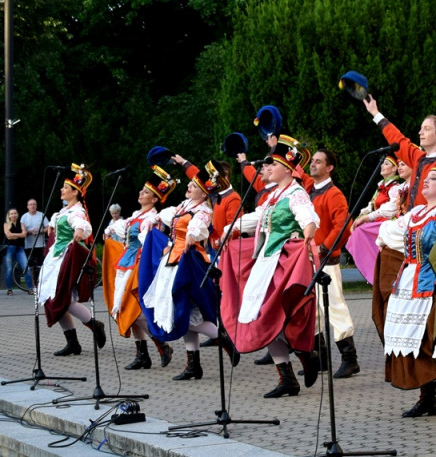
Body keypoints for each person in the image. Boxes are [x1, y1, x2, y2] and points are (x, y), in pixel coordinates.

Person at [220, 135, 322, 398]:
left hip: (284, 265)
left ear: (287, 169)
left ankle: (305, 355)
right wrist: (231, 229)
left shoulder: (296, 194)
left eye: (271, 165)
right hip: (266, 262)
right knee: (259, 316)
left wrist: (306, 235)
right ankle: (286, 376)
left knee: (279, 317)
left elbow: (309, 219)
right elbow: (258, 219)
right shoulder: (274, 195)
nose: (266, 169)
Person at [382, 152, 436, 418]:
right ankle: (427, 398)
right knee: (416, 341)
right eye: (426, 177)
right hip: (409, 282)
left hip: (434, 284)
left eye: (433, 179)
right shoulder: (417, 212)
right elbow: (390, 232)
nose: (425, 182)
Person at [138, 161, 239, 381]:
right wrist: (155, 218)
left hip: (189, 262)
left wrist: (192, 235)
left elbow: (199, 227)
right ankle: (194, 364)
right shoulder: (184, 206)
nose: (189, 187)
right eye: (191, 184)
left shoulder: (203, 210)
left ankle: (222, 337)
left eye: (194, 186)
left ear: (203, 193)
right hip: (174, 260)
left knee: (183, 311)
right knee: (183, 312)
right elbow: (169, 215)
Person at [102, 167, 176, 369]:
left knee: (133, 307)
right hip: (126, 261)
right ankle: (142, 353)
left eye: (145, 192)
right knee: (126, 307)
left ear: (153, 199)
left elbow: (147, 240)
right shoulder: (136, 215)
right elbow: (121, 226)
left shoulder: (152, 218)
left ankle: (161, 343)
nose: (140, 194)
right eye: (141, 191)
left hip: (138, 264)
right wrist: (109, 229)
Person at [38, 164, 106, 356]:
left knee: (63, 299)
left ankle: (94, 324)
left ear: (75, 193)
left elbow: (82, 224)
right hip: (55, 258)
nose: (61, 190)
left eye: (65, 188)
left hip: (67, 258)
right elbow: (56, 224)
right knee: (52, 299)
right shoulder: (61, 212)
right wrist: (51, 226)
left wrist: (79, 230)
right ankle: (72, 342)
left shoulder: (77, 211)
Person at [308, 146, 359, 379]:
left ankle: (350, 360)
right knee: (314, 310)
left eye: (319, 162)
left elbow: (343, 225)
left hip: (326, 259)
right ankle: (320, 359)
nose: (313, 164)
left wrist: (325, 247)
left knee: (334, 308)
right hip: (309, 258)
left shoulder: (333, 193)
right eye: (313, 161)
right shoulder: (310, 190)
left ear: (329, 168)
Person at [363, 96, 436, 206]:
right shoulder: (418, 157)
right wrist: (375, 113)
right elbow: (398, 139)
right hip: (411, 220)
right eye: (421, 128)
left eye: (427, 129)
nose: (420, 132)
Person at [349, 153, 405, 283]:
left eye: (386, 164)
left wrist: (368, 217)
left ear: (394, 169)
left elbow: (392, 208)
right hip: (378, 220)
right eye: (382, 163)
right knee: (358, 228)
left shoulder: (394, 187)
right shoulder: (381, 187)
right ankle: (372, 268)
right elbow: (371, 205)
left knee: (360, 231)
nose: (382, 166)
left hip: (388, 222)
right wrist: (362, 214)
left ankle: (372, 269)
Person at [4, 208, 34, 295]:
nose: (13, 215)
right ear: (9, 216)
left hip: (19, 248)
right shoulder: (6, 224)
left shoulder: (21, 224)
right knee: (9, 269)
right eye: (12, 214)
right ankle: (9, 290)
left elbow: (24, 235)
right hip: (9, 248)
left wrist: (14, 235)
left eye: (15, 213)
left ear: (17, 214)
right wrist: (19, 235)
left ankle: (30, 289)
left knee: (26, 268)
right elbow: (8, 236)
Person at [21, 198, 49, 271]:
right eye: (30, 204)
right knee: (30, 266)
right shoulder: (24, 217)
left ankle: (40, 281)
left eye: (34, 204)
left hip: (40, 244)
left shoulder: (42, 215)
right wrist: (31, 231)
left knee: (41, 265)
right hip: (29, 245)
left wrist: (40, 231)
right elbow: (22, 231)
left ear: (36, 206)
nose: (32, 206)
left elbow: (48, 228)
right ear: (27, 206)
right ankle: (33, 281)